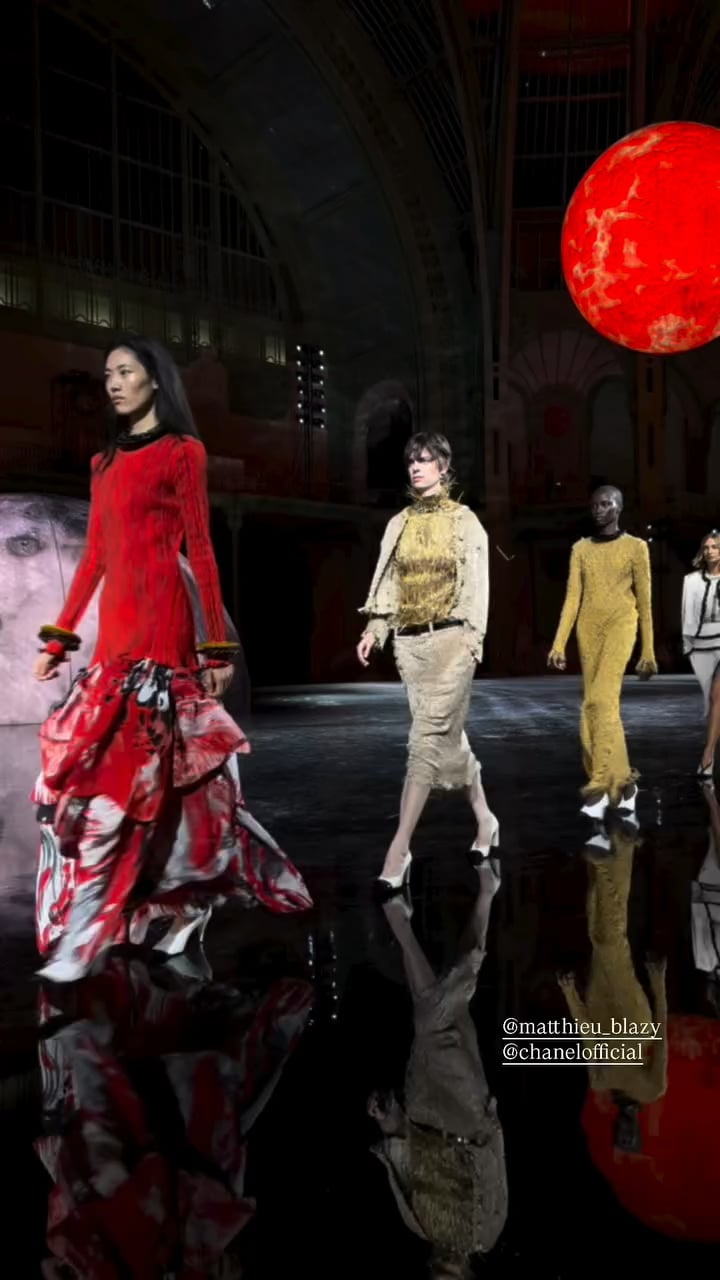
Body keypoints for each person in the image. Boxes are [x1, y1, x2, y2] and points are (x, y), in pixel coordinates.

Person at [31, 335, 312, 983]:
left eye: (125, 371)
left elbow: (201, 547)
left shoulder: (183, 452)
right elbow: (94, 558)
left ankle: (85, 938)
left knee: (134, 790)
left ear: (155, 379)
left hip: (163, 629)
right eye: (107, 373)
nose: (113, 382)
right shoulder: (103, 462)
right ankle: (188, 908)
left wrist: (215, 644)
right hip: (115, 638)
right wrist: (59, 639)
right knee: (138, 790)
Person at [356, 432, 495, 893]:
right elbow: (389, 584)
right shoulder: (398, 524)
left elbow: (477, 584)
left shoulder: (465, 521)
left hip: (454, 644)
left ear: (444, 466)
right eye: (411, 460)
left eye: (425, 459)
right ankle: (485, 819)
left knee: (423, 744)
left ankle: (399, 850)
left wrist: (472, 641)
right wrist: (374, 631)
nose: (416, 467)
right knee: (447, 740)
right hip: (411, 650)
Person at [547, 485, 657, 818]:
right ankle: (625, 786)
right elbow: (572, 599)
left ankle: (598, 785)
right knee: (594, 705)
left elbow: (645, 602)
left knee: (601, 701)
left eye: (606, 504)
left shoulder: (636, 547)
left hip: (622, 625)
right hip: (588, 630)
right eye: (594, 504)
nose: (598, 509)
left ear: (618, 508)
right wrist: (558, 642)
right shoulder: (580, 549)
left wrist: (648, 649)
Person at [681, 530, 720, 779]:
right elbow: (687, 616)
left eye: (714, 547)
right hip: (703, 643)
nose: (710, 551)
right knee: (713, 701)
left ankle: (708, 755)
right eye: (706, 547)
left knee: (717, 696)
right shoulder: (692, 580)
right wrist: (688, 645)